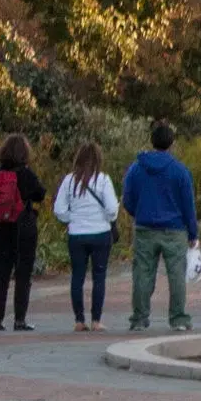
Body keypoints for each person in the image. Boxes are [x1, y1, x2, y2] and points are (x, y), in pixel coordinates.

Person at [122, 122, 199, 332]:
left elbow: (127, 198)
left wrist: (138, 213)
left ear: (152, 141)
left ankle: (139, 318)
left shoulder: (137, 168)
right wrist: (193, 232)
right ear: (172, 143)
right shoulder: (179, 171)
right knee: (176, 276)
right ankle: (178, 318)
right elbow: (188, 204)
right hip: (174, 230)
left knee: (142, 274)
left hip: (145, 228)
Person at [51, 142, 121, 333]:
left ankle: (79, 320)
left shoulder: (69, 181)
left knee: (78, 277)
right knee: (99, 277)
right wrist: (108, 219)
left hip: (77, 235)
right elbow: (112, 209)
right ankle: (96, 320)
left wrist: (71, 219)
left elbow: (59, 210)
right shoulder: (103, 180)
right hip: (100, 234)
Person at [0, 132, 44, 333]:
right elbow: (40, 193)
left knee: (1, 272)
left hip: (1, 225)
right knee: (23, 273)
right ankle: (19, 319)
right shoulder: (25, 173)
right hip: (23, 225)